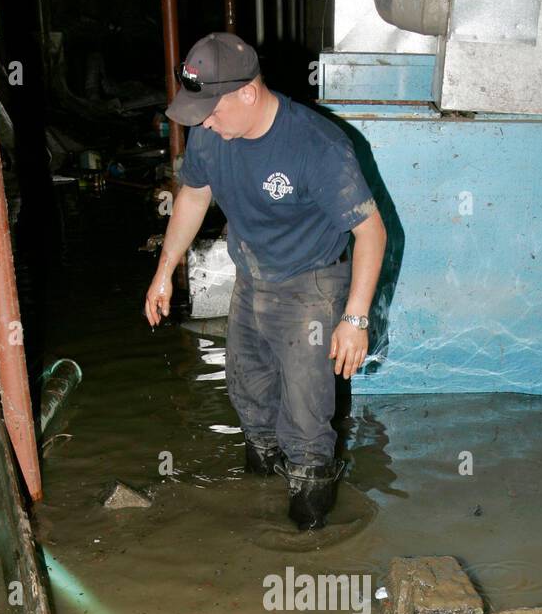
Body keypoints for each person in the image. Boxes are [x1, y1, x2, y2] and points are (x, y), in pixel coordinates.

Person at [144, 32, 387, 530]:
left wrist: (354, 318)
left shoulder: (317, 146)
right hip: (251, 277)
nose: (203, 123)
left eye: (210, 111)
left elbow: (372, 233)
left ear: (248, 93)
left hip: (311, 285)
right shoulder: (213, 131)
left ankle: (309, 535)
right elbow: (193, 197)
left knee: (305, 419)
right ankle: (258, 494)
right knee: (248, 393)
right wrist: (164, 270)